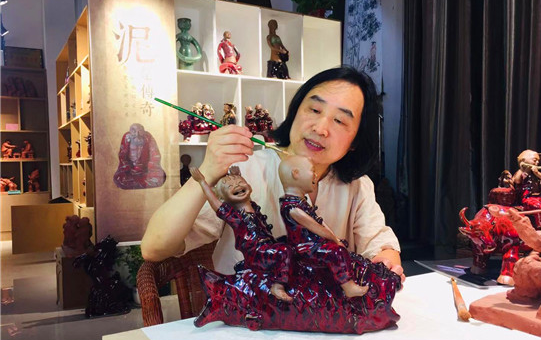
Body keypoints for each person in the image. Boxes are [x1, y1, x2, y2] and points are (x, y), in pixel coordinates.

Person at [142, 66, 404, 285]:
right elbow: (155, 247)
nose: (320, 128)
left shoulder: (356, 186)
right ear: (295, 111)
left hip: (324, 322)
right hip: (249, 319)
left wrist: (387, 261)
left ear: (356, 140)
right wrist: (209, 170)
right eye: (314, 110)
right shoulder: (241, 172)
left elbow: (379, 244)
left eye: (340, 121)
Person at [190, 165, 293, 302]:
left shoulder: (253, 207)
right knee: (284, 251)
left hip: (267, 245)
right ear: (222, 198)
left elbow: (242, 191)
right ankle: (278, 285)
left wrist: (238, 176)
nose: (237, 186)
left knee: (289, 242)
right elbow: (216, 205)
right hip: (255, 252)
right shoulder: (236, 217)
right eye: (230, 186)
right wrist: (202, 182)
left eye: (240, 182)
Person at [279, 155, 369, 297]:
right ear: (296, 174)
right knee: (336, 252)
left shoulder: (300, 203)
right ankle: (348, 287)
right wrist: (335, 240)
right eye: (312, 170)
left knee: (341, 249)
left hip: (312, 244)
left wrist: (335, 239)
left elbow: (320, 223)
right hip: (303, 248)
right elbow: (317, 227)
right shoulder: (292, 208)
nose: (315, 175)